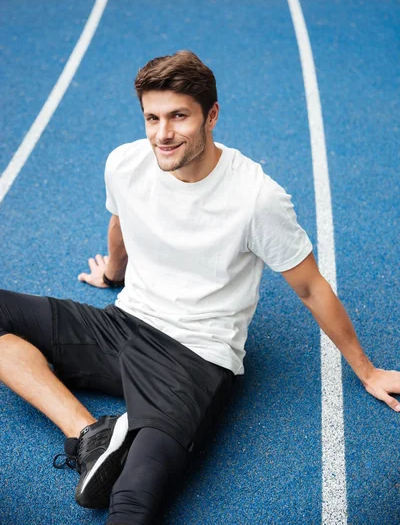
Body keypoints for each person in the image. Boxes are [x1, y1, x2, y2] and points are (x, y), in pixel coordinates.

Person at [1, 50, 400, 524]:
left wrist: (368, 370)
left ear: (211, 115)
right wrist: (112, 273)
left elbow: (311, 287)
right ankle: (90, 432)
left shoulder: (256, 198)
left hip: (193, 359)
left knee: (131, 504)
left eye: (178, 117)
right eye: (152, 117)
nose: (162, 134)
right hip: (123, 324)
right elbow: (121, 221)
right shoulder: (126, 163)